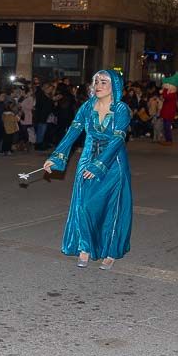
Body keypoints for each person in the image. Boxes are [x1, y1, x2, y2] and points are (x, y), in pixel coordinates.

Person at [42, 70, 133, 270]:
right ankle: (85, 247)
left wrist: (99, 165)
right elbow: (73, 132)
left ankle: (111, 251)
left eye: (103, 82)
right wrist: (55, 157)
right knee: (84, 205)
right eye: (96, 81)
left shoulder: (121, 109)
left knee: (111, 208)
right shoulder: (86, 107)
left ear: (114, 86)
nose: (98, 85)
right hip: (87, 158)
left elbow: (118, 139)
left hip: (113, 163)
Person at [160, 73, 178, 146]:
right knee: (166, 126)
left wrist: (164, 91)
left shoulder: (172, 94)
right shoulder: (172, 93)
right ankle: (167, 139)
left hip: (168, 112)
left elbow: (166, 97)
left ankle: (169, 140)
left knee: (167, 126)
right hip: (167, 111)